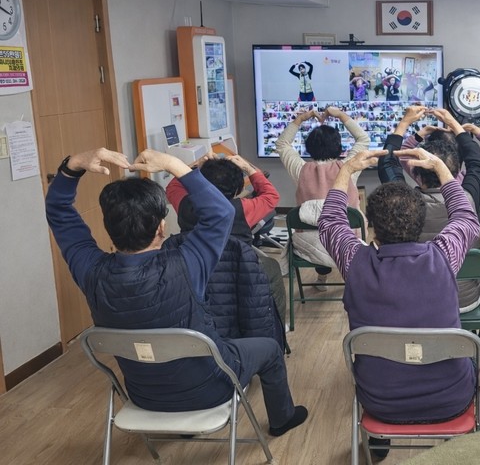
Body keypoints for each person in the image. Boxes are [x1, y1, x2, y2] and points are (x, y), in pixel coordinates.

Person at [45, 148, 307, 435]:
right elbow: (222, 213)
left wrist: (72, 166)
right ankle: (282, 419)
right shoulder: (187, 263)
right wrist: (172, 163)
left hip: (143, 395)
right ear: (161, 227)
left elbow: (59, 213)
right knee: (269, 348)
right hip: (211, 388)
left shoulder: (91, 272)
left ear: (108, 228)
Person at [319, 149, 479, 459]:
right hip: (451, 399)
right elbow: (466, 217)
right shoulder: (443, 256)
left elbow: (329, 221)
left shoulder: (354, 262)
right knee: (470, 360)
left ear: (371, 226)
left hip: (380, 401)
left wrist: (346, 170)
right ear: (421, 222)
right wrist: (442, 169)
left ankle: (378, 444)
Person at [379, 106, 480, 312]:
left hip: (413, 301)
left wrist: (404, 122)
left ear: (416, 173)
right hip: (463, 300)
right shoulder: (467, 200)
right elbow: (479, 165)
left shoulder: (402, 201)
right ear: (456, 171)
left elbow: (387, 163)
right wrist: (454, 124)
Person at [165, 153, 288, 328]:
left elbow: (173, 185)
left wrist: (197, 164)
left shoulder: (185, 203)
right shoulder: (243, 208)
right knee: (272, 267)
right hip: (239, 272)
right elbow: (271, 195)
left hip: (196, 270)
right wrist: (248, 168)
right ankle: (277, 327)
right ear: (237, 189)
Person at [277, 106, 369, 289]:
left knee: (317, 229)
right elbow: (363, 139)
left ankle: (321, 279)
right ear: (339, 147)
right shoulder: (349, 167)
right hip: (347, 241)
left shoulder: (300, 170)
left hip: (310, 244)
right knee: (345, 223)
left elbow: (282, 144)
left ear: (309, 147)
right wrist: (341, 115)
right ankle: (353, 280)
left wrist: (300, 119)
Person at [397, 121, 480, 186]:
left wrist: (423, 132)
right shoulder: (468, 180)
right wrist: (473, 129)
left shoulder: (421, 177)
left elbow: (403, 152)